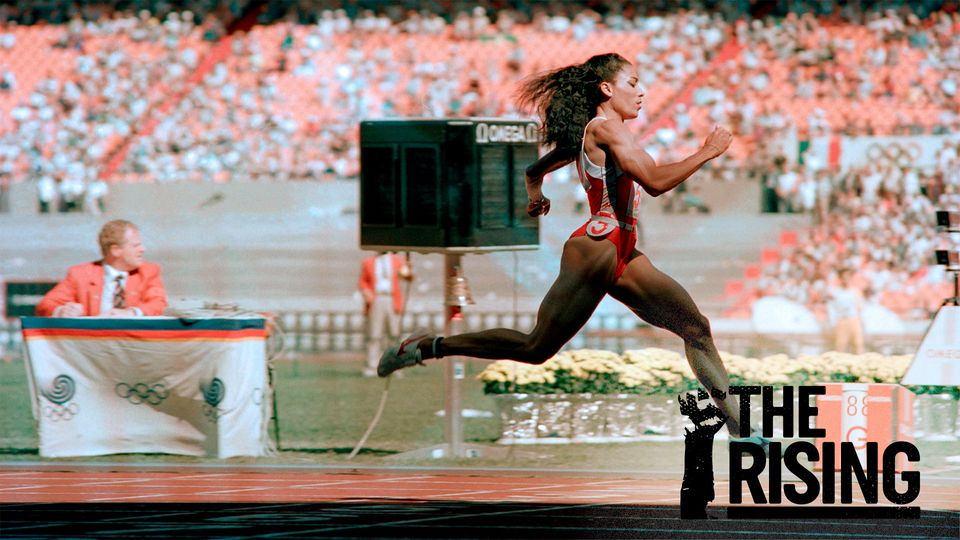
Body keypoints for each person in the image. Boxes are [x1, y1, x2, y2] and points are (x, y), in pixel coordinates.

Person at [378, 53, 756, 441]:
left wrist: (535, 195)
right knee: (535, 348)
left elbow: (533, 170)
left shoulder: (599, 133)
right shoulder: (605, 130)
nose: (642, 92)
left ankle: (741, 432)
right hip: (598, 247)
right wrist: (708, 151)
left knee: (696, 328)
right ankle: (426, 346)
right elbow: (655, 183)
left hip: (622, 250)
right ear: (606, 89)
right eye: (633, 83)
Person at [36, 219, 167, 317]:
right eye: (136, 246)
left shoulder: (149, 272)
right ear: (116, 250)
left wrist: (131, 313)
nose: (143, 249)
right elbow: (45, 304)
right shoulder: (80, 274)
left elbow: (158, 304)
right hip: (93, 340)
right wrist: (61, 311)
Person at [358, 252, 413, 377]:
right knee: (374, 334)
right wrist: (366, 291)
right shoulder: (368, 262)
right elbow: (362, 282)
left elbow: (407, 276)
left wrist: (409, 269)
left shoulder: (397, 261)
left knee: (394, 334)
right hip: (376, 298)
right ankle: (372, 366)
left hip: (392, 298)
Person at [827, 268, 865, 354]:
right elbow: (831, 309)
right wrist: (833, 322)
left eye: (848, 277)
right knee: (840, 346)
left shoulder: (855, 291)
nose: (846, 280)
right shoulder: (834, 292)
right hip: (841, 320)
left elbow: (860, 307)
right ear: (840, 279)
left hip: (854, 320)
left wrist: (861, 320)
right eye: (844, 277)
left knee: (858, 345)